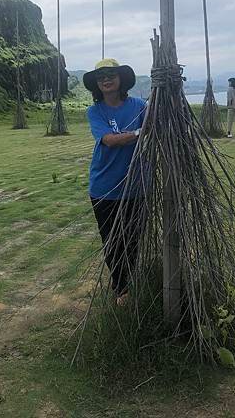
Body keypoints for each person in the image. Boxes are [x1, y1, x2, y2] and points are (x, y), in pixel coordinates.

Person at [83, 59, 146, 305]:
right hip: (104, 187)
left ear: (121, 79)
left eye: (111, 75)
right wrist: (140, 133)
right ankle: (121, 288)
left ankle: (127, 281)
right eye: (101, 78)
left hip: (137, 185)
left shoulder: (139, 106)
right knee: (111, 240)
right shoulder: (95, 111)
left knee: (132, 239)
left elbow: (159, 122)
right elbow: (109, 140)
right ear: (97, 85)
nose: (106, 80)